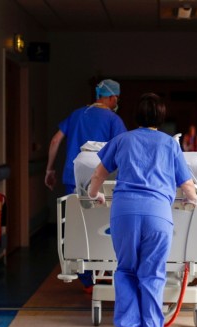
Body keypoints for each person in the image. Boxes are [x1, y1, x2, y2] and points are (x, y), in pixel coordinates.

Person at [88, 93, 197, 327]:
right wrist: (194, 200)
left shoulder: (122, 140)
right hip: (157, 216)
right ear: (161, 118)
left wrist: (94, 195)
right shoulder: (169, 145)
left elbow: (97, 174)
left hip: (124, 214)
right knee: (151, 275)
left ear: (136, 116)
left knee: (126, 270)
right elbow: (187, 185)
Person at [45, 79, 127, 293]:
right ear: (112, 98)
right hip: (104, 182)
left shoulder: (76, 115)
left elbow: (55, 141)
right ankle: (106, 274)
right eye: (116, 98)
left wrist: (49, 170)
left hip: (74, 179)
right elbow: (123, 150)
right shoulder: (113, 119)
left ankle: (86, 280)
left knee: (76, 225)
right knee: (102, 227)